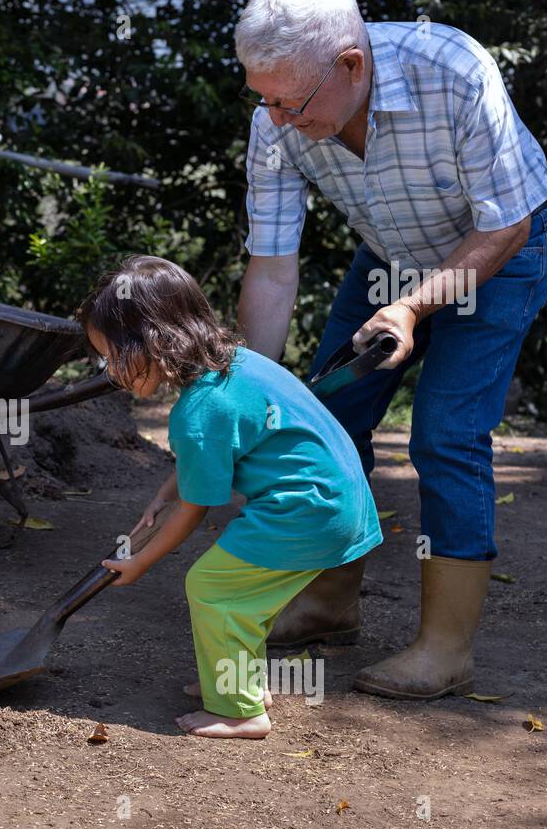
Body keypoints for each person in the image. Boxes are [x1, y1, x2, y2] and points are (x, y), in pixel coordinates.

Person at [227, 0, 547, 698]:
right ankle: (327, 602)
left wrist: (411, 309)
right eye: (264, 101)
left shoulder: (455, 68)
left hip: (501, 251)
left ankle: (445, 649)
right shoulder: (278, 116)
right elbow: (273, 267)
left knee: (445, 433)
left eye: (290, 104)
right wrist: (246, 392)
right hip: (391, 252)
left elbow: (505, 227)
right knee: (328, 418)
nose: (276, 119)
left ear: (351, 65)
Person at [81, 256, 382, 739]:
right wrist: (163, 496)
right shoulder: (238, 366)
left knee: (213, 587)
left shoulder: (198, 411)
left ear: (155, 340)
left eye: (115, 355)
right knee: (246, 595)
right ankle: (239, 681)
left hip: (304, 511)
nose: (110, 370)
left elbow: (195, 510)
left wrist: (142, 562)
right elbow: (207, 462)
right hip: (335, 504)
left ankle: (242, 711)